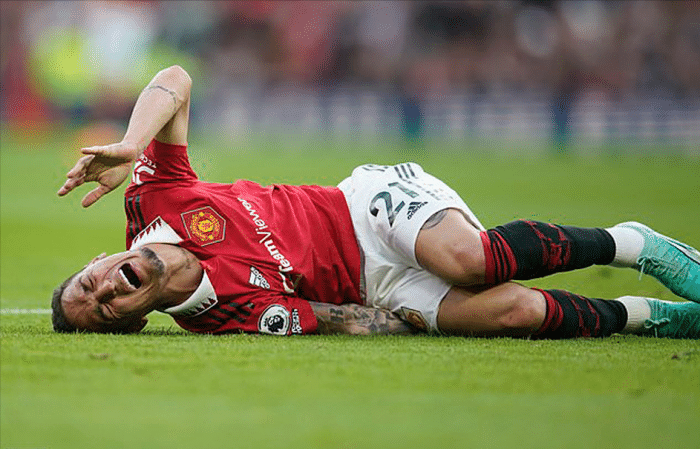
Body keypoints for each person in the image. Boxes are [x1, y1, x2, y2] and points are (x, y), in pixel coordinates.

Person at [53, 65, 700, 339]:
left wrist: (130, 143)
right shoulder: (223, 318)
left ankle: (637, 244)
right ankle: (648, 317)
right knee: (513, 312)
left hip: (365, 208)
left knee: (469, 259)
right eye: (107, 309)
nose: (107, 289)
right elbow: (335, 319)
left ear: (96, 260)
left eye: (90, 283)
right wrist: (411, 319)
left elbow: (176, 79)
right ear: (135, 321)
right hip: (377, 284)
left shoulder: (153, 200)